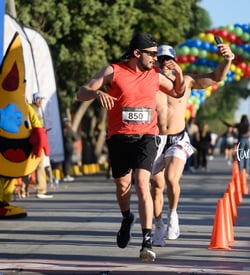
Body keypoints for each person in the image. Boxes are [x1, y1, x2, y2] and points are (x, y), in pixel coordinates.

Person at [76, 33, 185, 262]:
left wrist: (180, 74)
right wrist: (97, 93)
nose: (156, 59)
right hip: (119, 137)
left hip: (147, 136)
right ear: (138, 53)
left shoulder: (155, 75)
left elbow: (177, 92)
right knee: (123, 185)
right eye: (152, 54)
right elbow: (81, 91)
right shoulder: (113, 71)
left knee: (142, 183)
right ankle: (127, 218)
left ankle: (146, 241)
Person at [150, 43, 233, 246]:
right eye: (160, 59)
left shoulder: (186, 81)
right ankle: (158, 224)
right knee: (156, 186)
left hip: (178, 138)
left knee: (171, 178)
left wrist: (227, 59)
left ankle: (173, 214)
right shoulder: (150, 81)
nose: (165, 64)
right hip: (155, 139)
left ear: (175, 60)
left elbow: (216, 77)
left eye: (168, 59)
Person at [30, 93, 54, 198]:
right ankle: (41, 190)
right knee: (39, 165)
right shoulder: (33, 110)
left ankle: (23, 190)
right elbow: (34, 125)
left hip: (36, 139)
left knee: (32, 166)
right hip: (35, 141)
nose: (40, 101)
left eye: (41, 99)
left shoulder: (35, 109)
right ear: (35, 99)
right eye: (39, 99)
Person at [62, 118, 77, 182]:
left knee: (64, 161)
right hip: (69, 146)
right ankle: (67, 175)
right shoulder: (70, 130)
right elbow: (75, 138)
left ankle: (65, 174)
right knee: (68, 161)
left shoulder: (62, 130)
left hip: (63, 147)